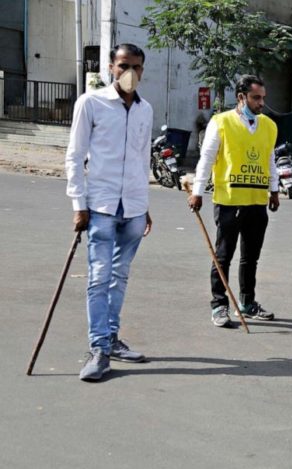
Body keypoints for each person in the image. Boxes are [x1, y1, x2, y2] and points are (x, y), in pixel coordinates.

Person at [65, 43, 153, 381]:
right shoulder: (91, 103)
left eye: (137, 67)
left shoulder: (146, 109)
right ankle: (99, 348)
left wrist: (143, 206)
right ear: (111, 67)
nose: (130, 73)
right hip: (99, 206)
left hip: (133, 207)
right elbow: (75, 156)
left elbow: (142, 159)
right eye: (123, 65)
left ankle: (112, 338)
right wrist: (78, 204)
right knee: (99, 277)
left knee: (120, 276)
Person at [188, 75, 279, 328]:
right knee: (223, 256)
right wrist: (197, 191)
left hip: (257, 201)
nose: (262, 103)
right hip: (229, 200)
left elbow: (269, 158)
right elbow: (206, 159)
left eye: (263, 98)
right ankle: (219, 305)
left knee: (251, 257)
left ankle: (248, 303)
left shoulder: (269, 126)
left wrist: (274, 190)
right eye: (256, 98)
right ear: (241, 97)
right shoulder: (221, 122)